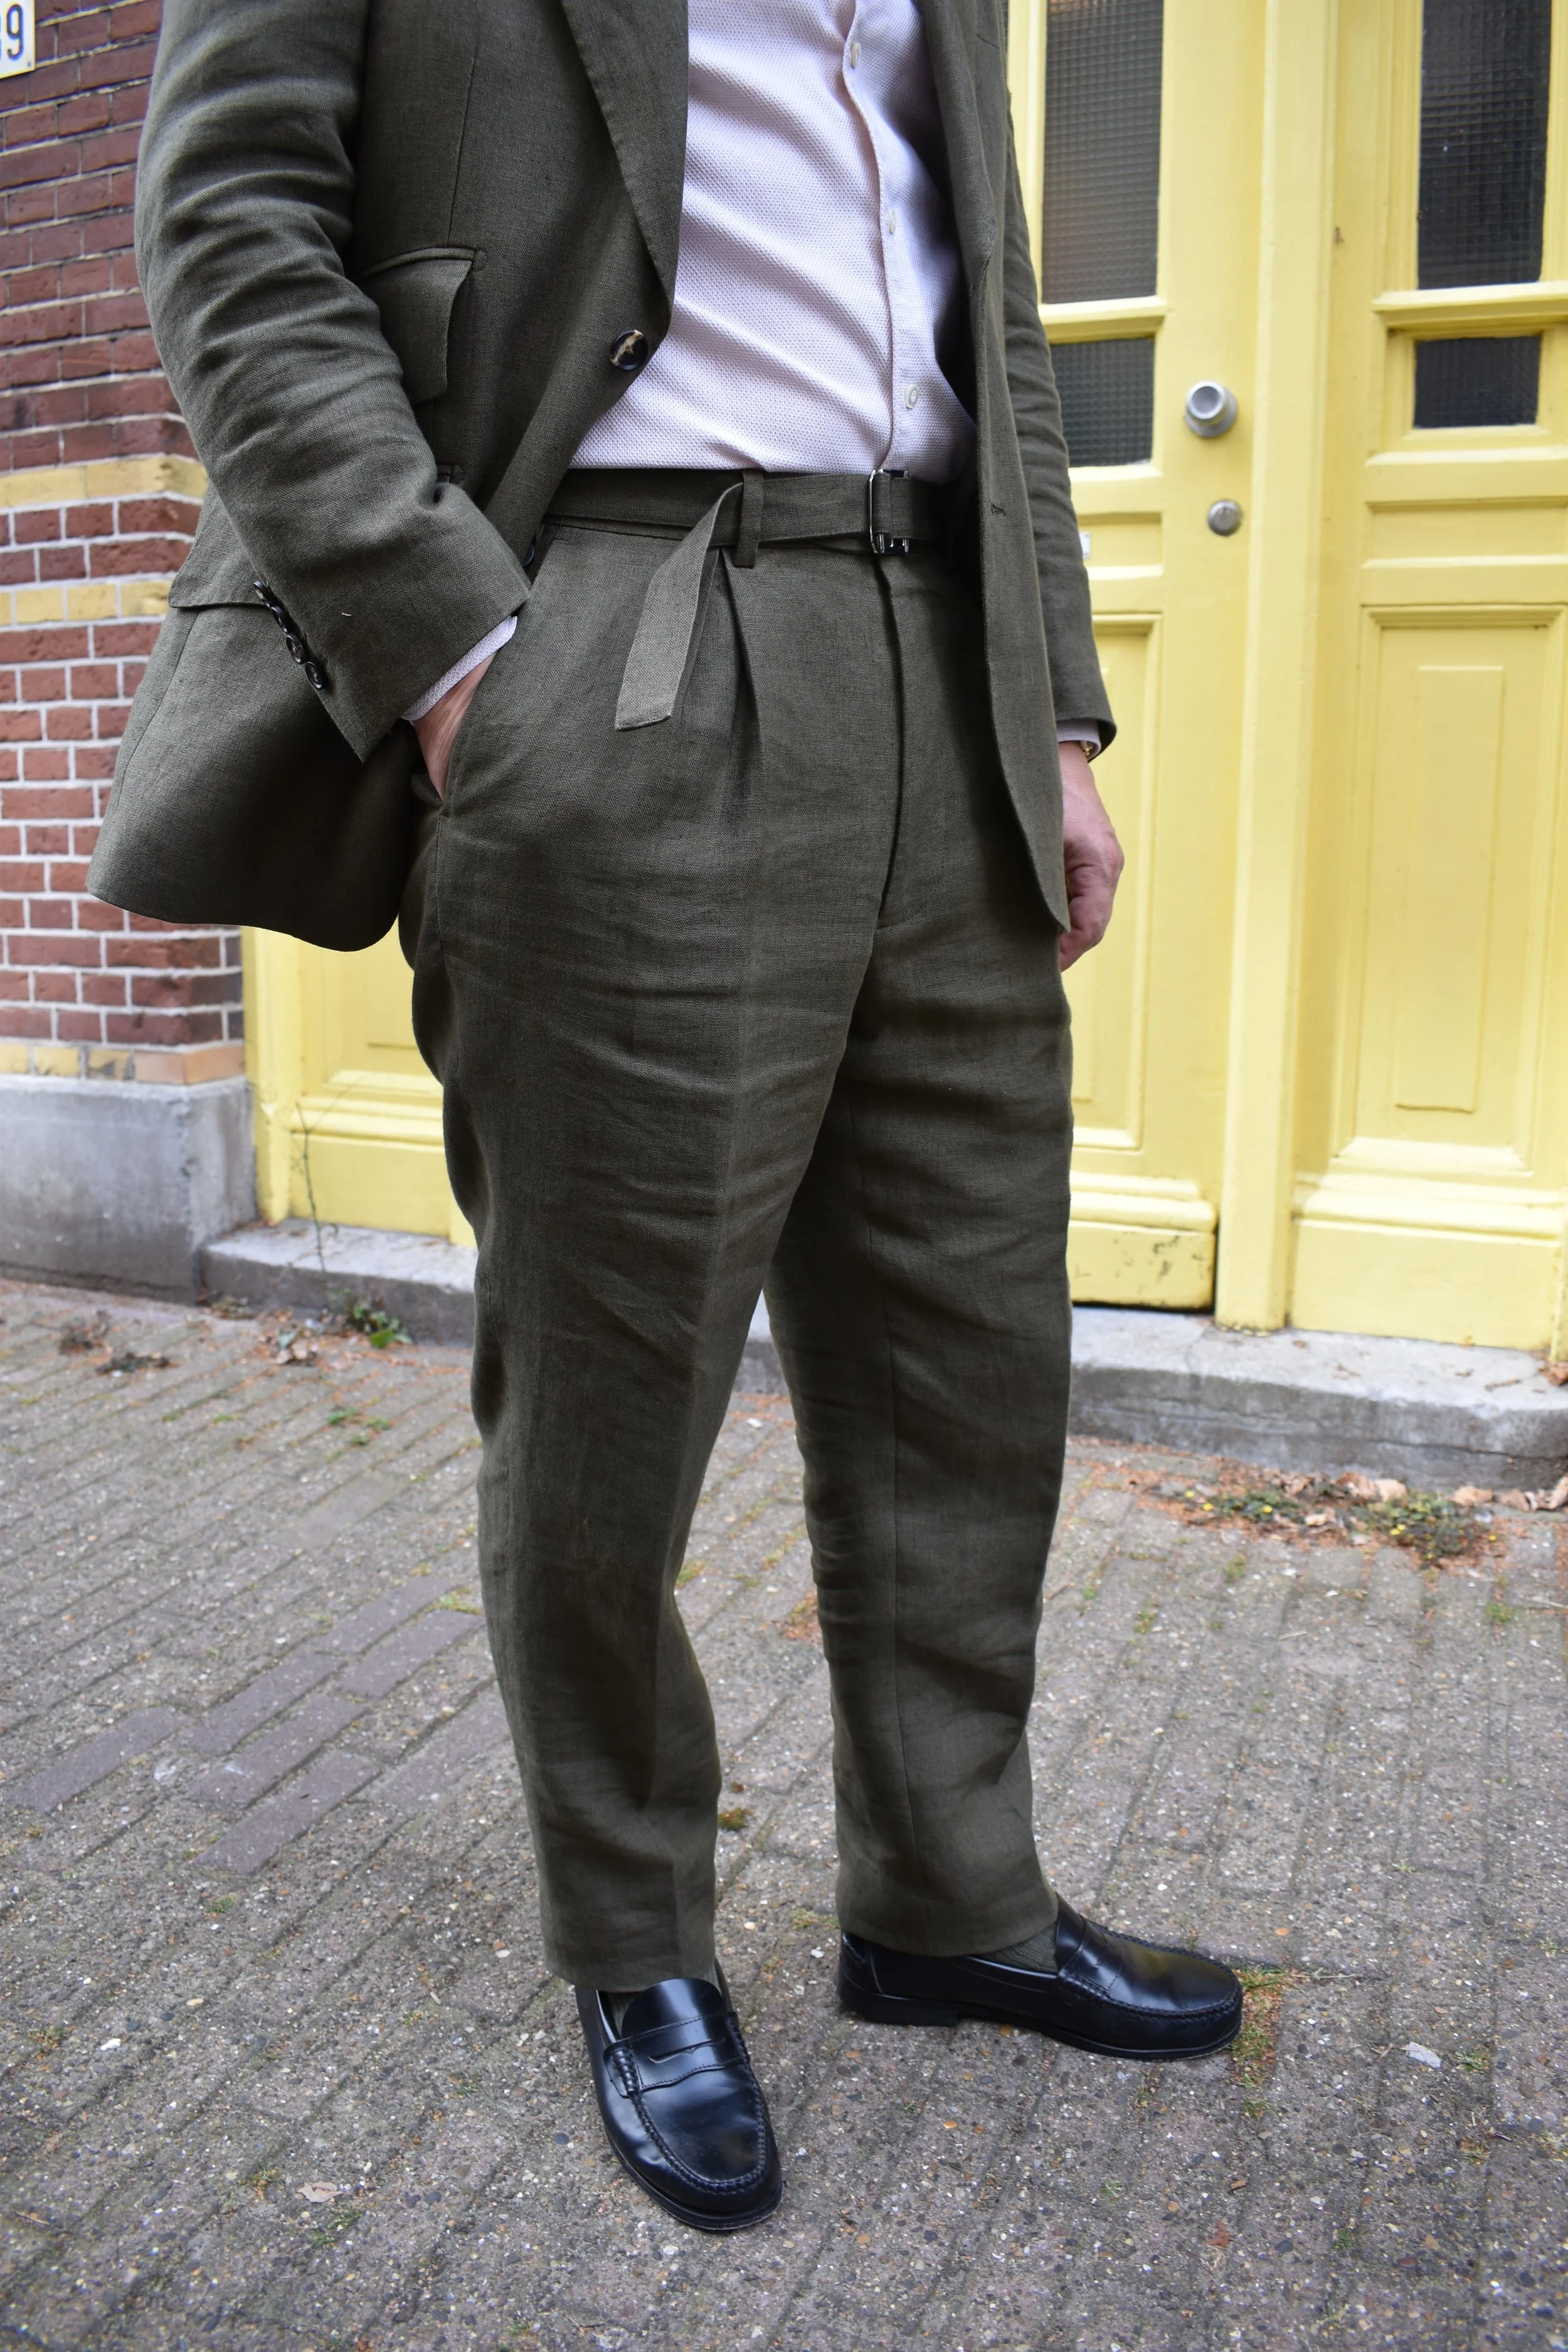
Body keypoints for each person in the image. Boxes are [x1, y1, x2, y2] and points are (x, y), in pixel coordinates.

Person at [91, 0, 1243, 2236]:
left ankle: (949, 1891)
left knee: (964, 1356)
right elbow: (232, 218)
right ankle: (635, 1939)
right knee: (616, 1389)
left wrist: (1064, 710)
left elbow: (981, 306)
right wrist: (445, 657)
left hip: (941, 649)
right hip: (616, 626)